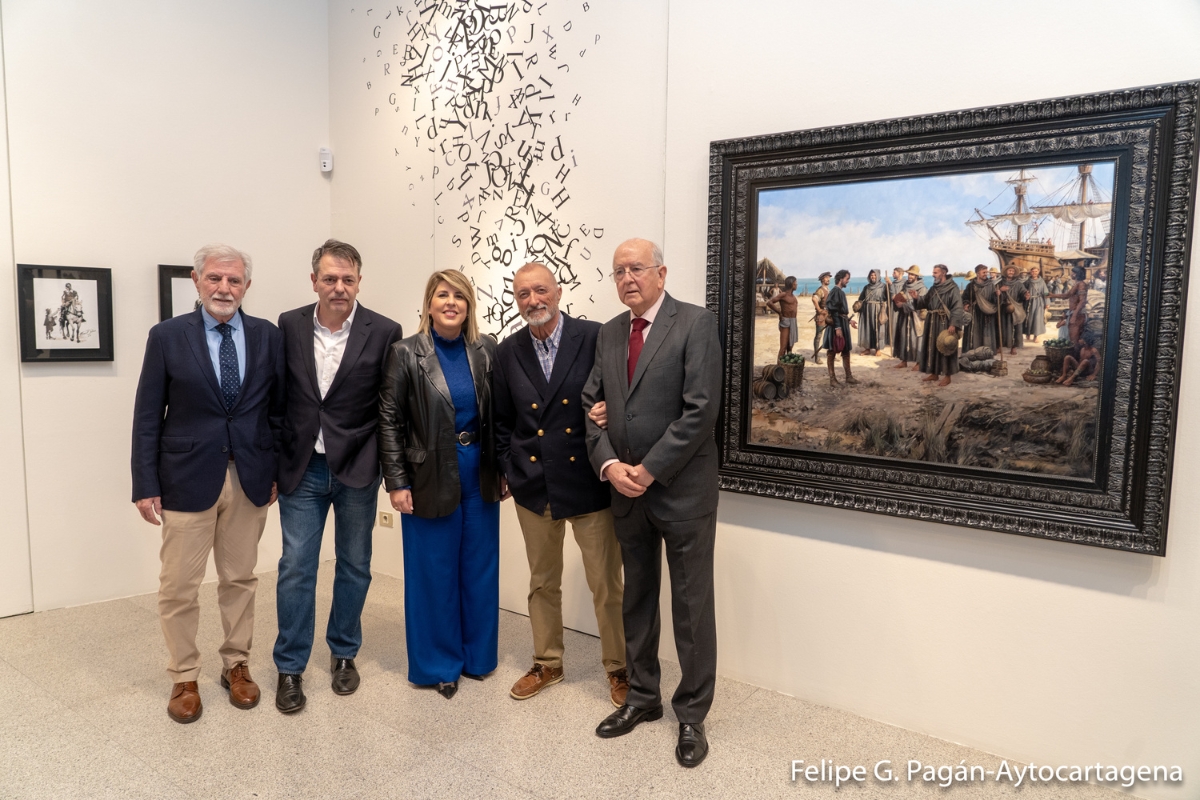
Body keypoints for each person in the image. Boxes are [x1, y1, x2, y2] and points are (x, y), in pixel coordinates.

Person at [581, 238, 721, 769]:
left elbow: (700, 411)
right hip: (625, 491)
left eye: (636, 268)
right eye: (618, 271)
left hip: (681, 491)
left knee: (691, 608)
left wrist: (649, 468)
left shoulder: (695, 323)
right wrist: (610, 465)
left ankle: (691, 715)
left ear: (661, 273)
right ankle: (643, 697)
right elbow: (589, 404)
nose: (627, 279)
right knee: (635, 599)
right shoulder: (610, 332)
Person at [131, 243, 285, 724]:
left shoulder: (267, 336)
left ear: (247, 287)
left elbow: (278, 411)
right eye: (215, 278)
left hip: (249, 478)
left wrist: (276, 468)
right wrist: (144, 482)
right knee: (179, 585)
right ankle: (184, 675)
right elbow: (147, 415)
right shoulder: (167, 336)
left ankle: (236, 665)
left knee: (240, 579)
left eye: (234, 280)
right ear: (197, 282)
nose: (224, 288)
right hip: (184, 479)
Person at [272, 240, 402, 713]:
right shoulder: (287, 326)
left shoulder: (385, 331)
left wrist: (391, 474)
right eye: (330, 279)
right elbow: (276, 401)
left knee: (354, 566)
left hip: (357, 469)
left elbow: (389, 408)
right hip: (302, 468)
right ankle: (290, 666)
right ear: (314, 281)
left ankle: (344, 654)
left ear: (359, 282)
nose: (339, 287)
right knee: (296, 568)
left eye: (348, 279)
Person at [492, 262, 627, 707]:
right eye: (524, 294)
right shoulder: (507, 351)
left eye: (541, 290)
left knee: (606, 583)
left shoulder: (594, 336)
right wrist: (509, 469)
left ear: (559, 291)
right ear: (517, 300)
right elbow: (501, 421)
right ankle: (547, 662)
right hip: (534, 484)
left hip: (588, 479)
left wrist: (609, 411)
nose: (534, 300)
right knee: (542, 582)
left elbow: (618, 393)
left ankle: (619, 668)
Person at [378, 270, 505, 700]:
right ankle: (439, 664)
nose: (451, 302)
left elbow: (500, 416)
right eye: (442, 295)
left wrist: (503, 467)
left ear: (469, 306)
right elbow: (389, 421)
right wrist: (396, 481)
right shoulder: (405, 353)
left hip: (479, 470)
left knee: (480, 567)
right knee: (433, 572)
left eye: (460, 296)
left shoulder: (485, 350)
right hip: (428, 472)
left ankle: (478, 658)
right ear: (428, 303)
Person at [910, 264, 967, 387]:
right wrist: (916, 298)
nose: (933, 274)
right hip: (932, 322)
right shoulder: (933, 288)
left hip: (945, 322)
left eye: (935, 272)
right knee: (932, 347)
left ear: (943, 273)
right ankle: (934, 373)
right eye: (933, 272)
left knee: (946, 347)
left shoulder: (953, 288)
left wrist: (953, 324)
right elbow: (924, 302)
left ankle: (947, 376)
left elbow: (957, 308)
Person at [824, 270, 858, 387]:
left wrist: (849, 321)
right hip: (836, 325)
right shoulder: (835, 291)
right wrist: (838, 327)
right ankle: (832, 379)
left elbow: (841, 312)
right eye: (847, 279)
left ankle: (848, 377)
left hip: (842, 323)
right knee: (832, 351)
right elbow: (833, 311)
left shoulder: (840, 292)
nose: (847, 281)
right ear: (841, 279)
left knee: (846, 350)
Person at [892, 265, 925, 369]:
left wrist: (904, 305)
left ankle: (919, 363)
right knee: (904, 338)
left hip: (916, 318)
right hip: (905, 316)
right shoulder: (905, 286)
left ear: (916, 276)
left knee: (916, 339)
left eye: (912, 274)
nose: (910, 276)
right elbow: (902, 297)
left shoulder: (922, 288)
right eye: (909, 274)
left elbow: (921, 304)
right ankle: (904, 360)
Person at [961, 264, 999, 352]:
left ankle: (986, 352)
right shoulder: (971, 286)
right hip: (975, 313)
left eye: (986, 272)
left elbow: (995, 300)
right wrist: (965, 304)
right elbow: (964, 297)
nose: (985, 274)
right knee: (974, 334)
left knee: (986, 334)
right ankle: (973, 351)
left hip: (987, 313)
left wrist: (997, 295)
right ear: (978, 273)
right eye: (983, 272)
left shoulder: (991, 285)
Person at [1050, 266, 1090, 344]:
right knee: (1072, 339)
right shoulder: (1077, 284)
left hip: (1078, 315)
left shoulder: (1081, 284)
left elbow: (1082, 301)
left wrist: (1074, 315)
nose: (1071, 274)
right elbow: (1067, 295)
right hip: (1074, 313)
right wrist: (1052, 295)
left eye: (1073, 273)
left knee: (1074, 340)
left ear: (1076, 274)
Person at [997, 265, 1029, 354]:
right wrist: (1000, 290)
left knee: (1016, 328)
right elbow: (994, 292)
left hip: (1015, 309)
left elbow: (1023, 292)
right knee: (1002, 328)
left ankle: (1013, 347)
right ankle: (1001, 346)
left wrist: (1025, 295)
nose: (1011, 272)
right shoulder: (1000, 283)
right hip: (1003, 309)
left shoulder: (1018, 284)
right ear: (1006, 272)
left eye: (1012, 271)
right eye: (1009, 271)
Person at [855, 269, 888, 355]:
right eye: (871, 275)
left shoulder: (884, 286)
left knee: (878, 328)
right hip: (867, 311)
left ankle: (878, 349)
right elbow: (861, 298)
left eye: (874, 275)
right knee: (868, 329)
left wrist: (890, 286)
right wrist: (858, 305)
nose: (873, 277)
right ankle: (867, 349)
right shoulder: (866, 287)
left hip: (878, 309)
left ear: (878, 276)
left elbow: (888, 297)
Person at [766, 276, 799, 360]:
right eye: (795, 283)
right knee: (783, 347)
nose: (797, 284)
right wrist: (779, 312)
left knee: (790, 346)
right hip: (786, 321)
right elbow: (770, 302)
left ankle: (787, 368)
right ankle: (779, 370)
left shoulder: (792, 296)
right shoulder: (783, 294)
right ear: (792, 284)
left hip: (793, 321)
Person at [1023, 265, 1049, 342]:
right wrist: (1025, 295)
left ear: (1038, 272)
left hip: (1039, 302)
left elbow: (1046, 292)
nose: (1034, 273)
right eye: (1033, 271)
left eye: (1036, 271)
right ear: (1030, 272)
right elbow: (1023, 291)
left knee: (1037, 319)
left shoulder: (1042, 281)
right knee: (1029, 318)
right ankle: (1028, 333)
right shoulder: (1027, 281)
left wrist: (1047, 303)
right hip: (1029, 302)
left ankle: (1036, 336)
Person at [810, 272, 831, 365]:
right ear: (822, 279)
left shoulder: (828, 289)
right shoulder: (820, 290)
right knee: (818, 336)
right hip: (821, 316)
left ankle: (831, 355)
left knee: (831, 335)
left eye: (829, 277)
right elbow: (814, 298)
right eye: (826, 278)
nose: (828, 279)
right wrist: (818, 309)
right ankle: (817, 357)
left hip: (828, 315)